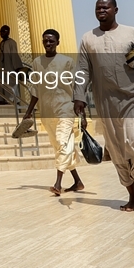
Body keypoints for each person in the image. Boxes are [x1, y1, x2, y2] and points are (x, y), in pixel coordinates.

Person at [74, 0, 134, 213]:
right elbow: (82, 70)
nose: (101, 10)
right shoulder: (88, 38)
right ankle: (133, 197)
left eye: (105, 7)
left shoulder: (132, 33)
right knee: (118, 150)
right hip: (106, 102)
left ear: (115, 10)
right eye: (98, 8)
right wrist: (79, 96)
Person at [22, 29, 84, 195]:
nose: (48, 44)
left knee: (62, 143)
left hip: (65, 109)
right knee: (59, 147)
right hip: (47, 111)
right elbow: (35, 89)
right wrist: (29, 112)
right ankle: (77, 181)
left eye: (51, 41)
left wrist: (83, 114)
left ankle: (58, 183)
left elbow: (77, 87)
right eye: (45, 41)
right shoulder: (37, 63)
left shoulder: (67, 62)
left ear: (58, 42)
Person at [0, 25, 26, 103]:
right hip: (3, 68)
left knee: (12, 84)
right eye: (1, 32)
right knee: (4, 84)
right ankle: (6, 101)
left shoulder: (11, 42)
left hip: (11, 68)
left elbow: (14, 55)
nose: (1, 33)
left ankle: (14, 101)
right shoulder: (1, 43)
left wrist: (18, 68)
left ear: (8, 32)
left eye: (3, 31)